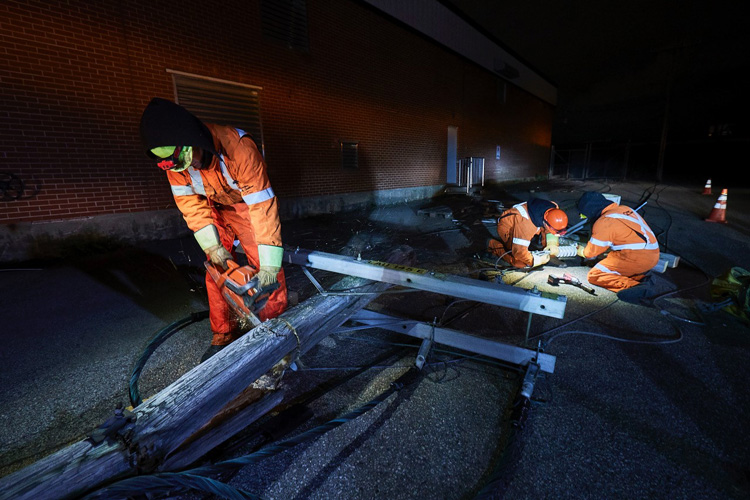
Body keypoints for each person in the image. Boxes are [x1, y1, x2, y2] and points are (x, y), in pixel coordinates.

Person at [139, 98, 287, 361]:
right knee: (216, 270)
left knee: (266, 265)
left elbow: (262, 206)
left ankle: (273, 330)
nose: (177, 168)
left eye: (179, 159)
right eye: (169, 164)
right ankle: (223, 334)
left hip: (245, 205)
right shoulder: (174, 164)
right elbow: (190, 205)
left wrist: (270, 265)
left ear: (192, 140)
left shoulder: (239, 148)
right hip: (212, 207)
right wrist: (214, 246)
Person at [576, 191, 660, 294]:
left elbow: (591, 253)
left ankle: (638, 288)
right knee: (612, 258)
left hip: (638, 258)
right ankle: (643, 278)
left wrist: (581, 251)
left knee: (595, 274)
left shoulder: (605, 221)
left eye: (584, 215)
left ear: (590, 210)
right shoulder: (624, 209)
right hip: (654, 255)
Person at [486, 199, 568, 268]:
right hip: (508, 229)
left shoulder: (553, 209)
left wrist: (551, 244)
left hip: (531, 223)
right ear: (546, 223)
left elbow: (548, 229)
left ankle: (541, 248)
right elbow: (519, 252)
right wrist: (535, 260)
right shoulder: (525, 225)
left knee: (547, 231)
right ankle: (492, 244)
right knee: (520, 262)